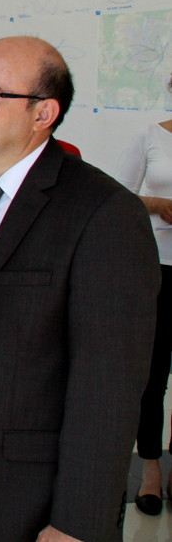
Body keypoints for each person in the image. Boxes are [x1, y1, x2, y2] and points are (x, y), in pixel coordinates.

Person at [0, 36, 158, 542]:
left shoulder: (103, 212)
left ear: (43, 113)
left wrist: (77, 522)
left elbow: (108, 389)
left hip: (26, 495)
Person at [115, 75, 172, 516]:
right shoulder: (151, 136)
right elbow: (119, 197)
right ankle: (150, 470)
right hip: (156, 270)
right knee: (152, 377)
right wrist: (157, 205)